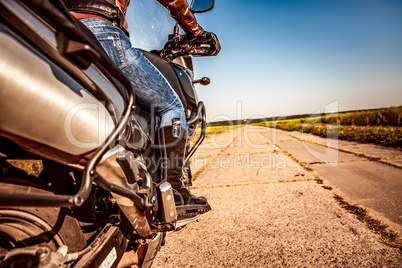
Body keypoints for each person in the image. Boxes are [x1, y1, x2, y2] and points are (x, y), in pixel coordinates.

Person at [63, 0, 219, 217]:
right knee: (171, 106)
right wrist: (196, 32)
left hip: (59, 30)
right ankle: (175, 192)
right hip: (102, 32)